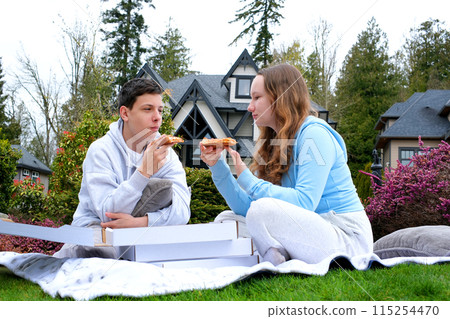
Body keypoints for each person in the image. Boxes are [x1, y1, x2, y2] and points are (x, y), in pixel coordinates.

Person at [200, 64, 373, 266]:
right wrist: (217, 166)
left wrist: (248, 180)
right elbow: (245, 208)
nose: (250, 106)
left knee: (261, 211)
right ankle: (277, 253)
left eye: (257, 97)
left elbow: (305, 202)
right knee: (227, 219)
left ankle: (275, 258)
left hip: (346, 237)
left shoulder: (315, 134)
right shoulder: (275, 142)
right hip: (311, 231)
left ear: (280, 97)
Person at [54, 78, 190, 258]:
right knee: (103, 252)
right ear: (125, 113)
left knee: (173, 249)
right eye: (148, 109)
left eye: (160, 110)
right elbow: (108, 215)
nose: (157, 117)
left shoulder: (166, 152)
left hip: (141, 231)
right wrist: (143, 173)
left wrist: (141, 223)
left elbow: (182, 211)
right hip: (96, 227)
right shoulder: (101, 150)